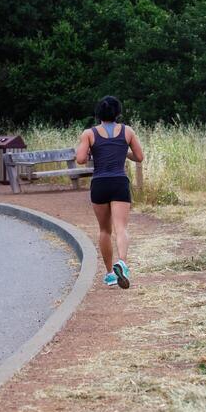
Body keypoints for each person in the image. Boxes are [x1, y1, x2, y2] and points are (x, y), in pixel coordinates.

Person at [76, 96, 144, 289]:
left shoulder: (89, 133)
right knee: (121, 228)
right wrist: (124, 151)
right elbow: (139, 157)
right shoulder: (127, 131)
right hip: (119, 181)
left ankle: (109, 275)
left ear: (98, 113)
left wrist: (91, 150)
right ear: (118, 113)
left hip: (100, 183)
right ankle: (122, 262)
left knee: (105, 230)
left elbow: (80, 159)